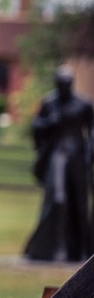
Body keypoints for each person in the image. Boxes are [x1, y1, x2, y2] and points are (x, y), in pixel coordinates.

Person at [24, 65, 93, 262]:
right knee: (57, 198)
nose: (63, 88)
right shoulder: (50, 102)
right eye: (60, 84)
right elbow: (37, 125)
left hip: (77, 155)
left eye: (66, 84)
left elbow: (91, 127)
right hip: (57, 153)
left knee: (80, 203)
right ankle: (54, 248)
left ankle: (80, 250)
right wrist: (48, 123)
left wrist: (90, 151)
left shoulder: (83, 104)